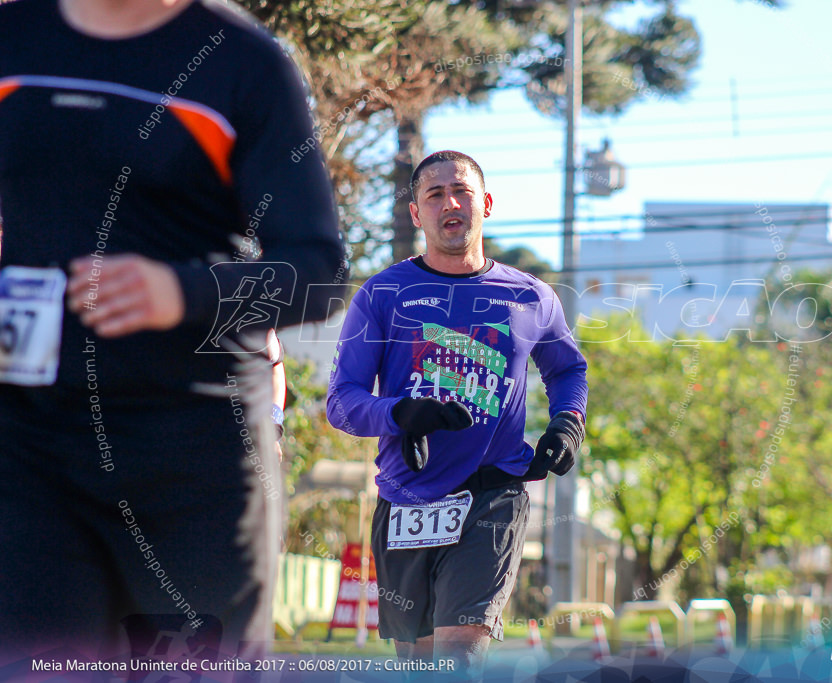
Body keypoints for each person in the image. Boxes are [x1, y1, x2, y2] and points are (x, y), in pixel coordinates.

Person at [0, 0, 346, 665]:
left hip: (193, 464)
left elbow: (318, 272)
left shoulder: (244, 63)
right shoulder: (15, 38)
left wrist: (179, 291)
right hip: (30, 447)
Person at [327, 150, 587, 678]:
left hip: (492, 492)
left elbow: (568, 371)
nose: (451, 203)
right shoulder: (383, 295)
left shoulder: (530, 296)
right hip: (407, 498)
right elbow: (342, 402)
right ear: (416, 213)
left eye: (462, 191)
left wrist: (567, 422)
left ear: (485, 204)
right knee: (420, 665)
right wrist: (401, 412)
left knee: (458, 653)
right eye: (435, 194)